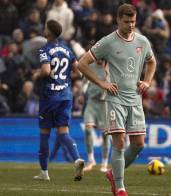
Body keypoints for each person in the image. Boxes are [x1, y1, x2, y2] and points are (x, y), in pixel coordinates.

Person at [77, 4, 156, 196]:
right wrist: (102, 83)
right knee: (119, 142)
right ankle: (120, 187)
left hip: (135, 100)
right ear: (118, 20)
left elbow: (151, 61)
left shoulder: (143, 41)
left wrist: (147, 81)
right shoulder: (108, 42)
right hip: (115, 99)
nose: (130, 25)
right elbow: (82, 63)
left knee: (138, 144)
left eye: (133, 21)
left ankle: (113, 173)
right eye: (127, 21)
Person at [33, 19, 84, 181]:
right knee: (63, 132)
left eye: (45, 27)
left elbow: (46, 70)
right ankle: (77, 159)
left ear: (48, 32)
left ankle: (44, 172)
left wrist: (37, 75)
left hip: (49, 97)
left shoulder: (45, 49)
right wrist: (65, 78)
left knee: (44, 134)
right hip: (65, 96)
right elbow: (79, 73)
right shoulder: (67, 49)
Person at [82, 59, 111, 173]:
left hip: (104, 104)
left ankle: (104, 163)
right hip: (91, 102)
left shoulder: (110, 68)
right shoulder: (91, 66)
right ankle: (91, 160)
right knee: (88, 129)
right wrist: (82, 93)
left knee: (105, 134)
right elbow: (85, 82)